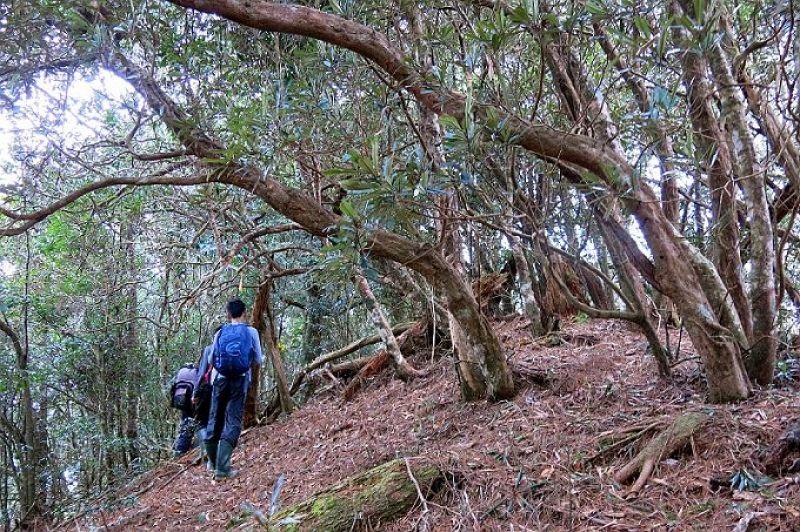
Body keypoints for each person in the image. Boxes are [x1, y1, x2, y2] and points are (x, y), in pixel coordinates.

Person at [204, 298, 263, 479]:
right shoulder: (251, 332)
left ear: (228, 314)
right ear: (244, 313)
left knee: (215, 417)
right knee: (233, 419)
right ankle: (222, 469)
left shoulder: (220, 331)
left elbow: (210, 360)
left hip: (220, 379)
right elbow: (258, 359)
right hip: (240, 379)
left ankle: (213, 463)